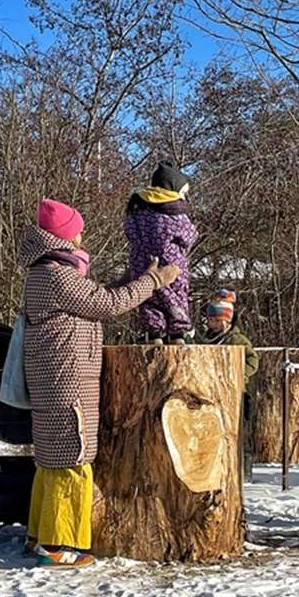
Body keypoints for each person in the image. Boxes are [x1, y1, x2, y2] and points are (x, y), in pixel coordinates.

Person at [21, 198, 179, 568]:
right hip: (66, 384)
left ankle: (38, 535)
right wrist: (154, 281)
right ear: (62, 236)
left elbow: (96, 298)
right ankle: (59, 544)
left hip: (58, 382)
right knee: (72, 462)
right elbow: (106, 305)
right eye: (77, 230)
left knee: (50, 463)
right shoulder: (56, 275)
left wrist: (131, 280)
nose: (81, 236)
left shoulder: (48, 273)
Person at [123, 162, 198, 344]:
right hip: (170, 263)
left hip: (141, 262)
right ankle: (178, 332)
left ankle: (155, 331)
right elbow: (190, 236)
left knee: (148, 297)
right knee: (175, 296)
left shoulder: (137, 210)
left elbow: (128, 230)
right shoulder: (174, 213)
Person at [199, 289, 258, 482]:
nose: (213, 324)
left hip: (235, 392)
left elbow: (252, 360)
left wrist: (241, 376)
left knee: (239, 433)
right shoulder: (205, 340)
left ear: (227, 320)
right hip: (211, 390)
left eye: (217, 320)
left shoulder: (237, 340)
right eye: (211, 320)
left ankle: (244, 470)